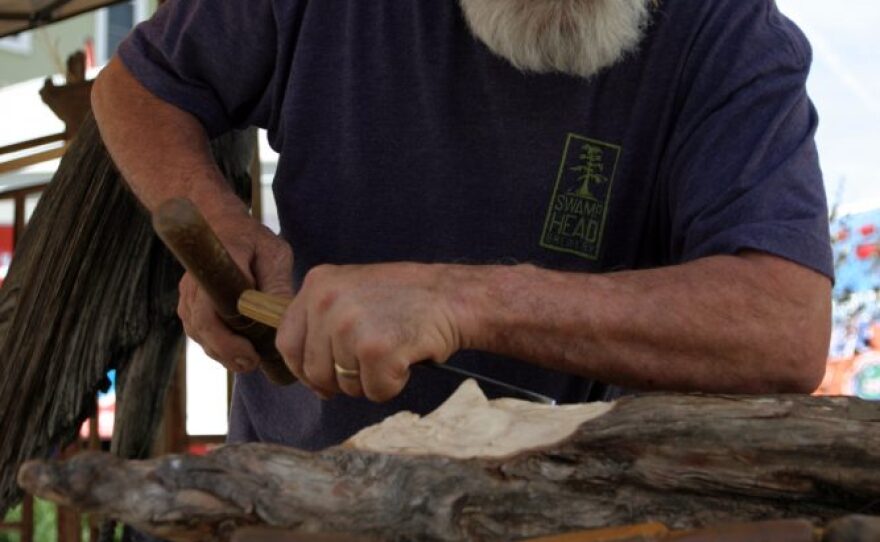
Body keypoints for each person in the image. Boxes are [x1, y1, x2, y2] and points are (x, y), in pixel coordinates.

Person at [92, 0, 833, 451]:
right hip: (304, 491)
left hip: (575, 509)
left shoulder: (727, 31)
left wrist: (462, 302)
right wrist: (225, 232)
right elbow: (136, 91)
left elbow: (784, 323)